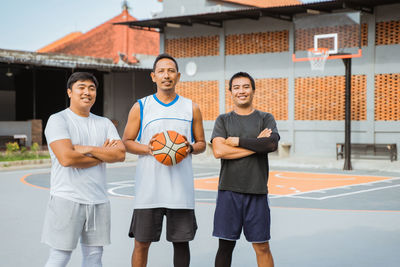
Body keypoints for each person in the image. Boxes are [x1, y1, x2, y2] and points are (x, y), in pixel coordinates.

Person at [123, 53, 206, 267]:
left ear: (178, 76)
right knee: (141, 243)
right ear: (153, 76)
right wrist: (149, 149)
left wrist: (190, 148)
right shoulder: (141, 106)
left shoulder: (191, 108)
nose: (166, 75)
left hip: (180, 189)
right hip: (149, 190)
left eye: (171, 71)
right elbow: (127, 141)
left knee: (181, 243)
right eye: (161, 71)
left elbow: (202, 143)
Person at [42, 72, 126, 267]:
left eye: (92, 88)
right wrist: (103, 154)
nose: (87, 92)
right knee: (60, 256)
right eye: (81, 87)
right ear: (70, 92)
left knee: (95, 256)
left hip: (98, 200)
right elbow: (67, 158)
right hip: (67, 198)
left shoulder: (104, 123)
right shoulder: (58, 120)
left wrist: (87, 149)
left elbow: (120, 155)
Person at [211, 72, 280, 267]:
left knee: (262, 246)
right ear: (231, 92)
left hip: (256, 191)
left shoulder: (265, 118)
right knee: (225, 246)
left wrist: (239, 142)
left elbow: (271, 145)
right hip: (228, 192)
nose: (241, 91)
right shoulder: (223, 120)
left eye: (246, 86)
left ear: (253, 90)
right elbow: (218, 151)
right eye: (237, 87)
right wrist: (256, 145)